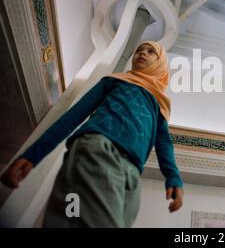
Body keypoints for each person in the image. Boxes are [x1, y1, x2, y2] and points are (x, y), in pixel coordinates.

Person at [1, 41, 184, 227]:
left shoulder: (159, 103)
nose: (142, 53)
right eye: (139, 50)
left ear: (160, 63)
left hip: (133, 175)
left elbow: (164, 143)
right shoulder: (114, 81)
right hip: (98, 148)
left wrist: (173, 177)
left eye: (151, 51)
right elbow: (74, 116)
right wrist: (33, 155)